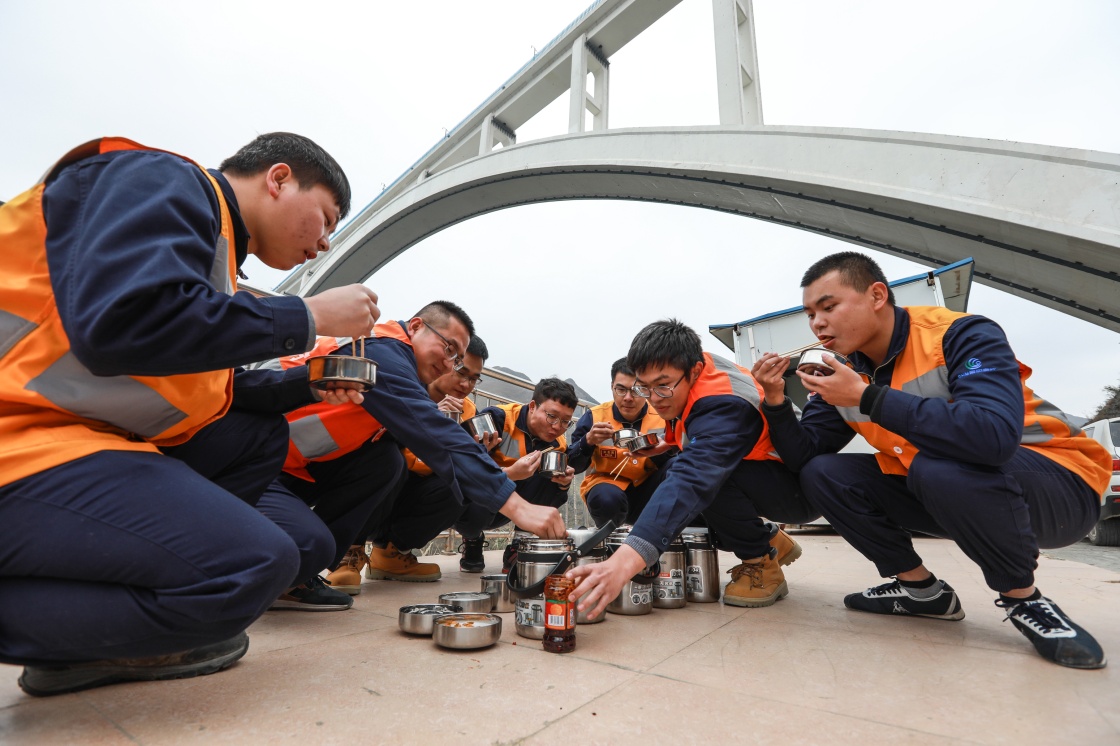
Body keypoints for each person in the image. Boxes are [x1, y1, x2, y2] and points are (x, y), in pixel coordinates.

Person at [0, 133, 381, 696]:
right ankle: (105, 620)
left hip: (73, 434)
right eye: (325, 219)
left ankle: (89, 634)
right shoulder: (163, 180)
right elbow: (123, 323)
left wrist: (311, 377)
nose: (324, 243)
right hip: (23, 439)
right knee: (256, 564)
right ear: (277, 179)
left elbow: (221, 396)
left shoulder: (212, 257)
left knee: (255, 436)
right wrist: (304, 316)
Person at [752, 251, 1110, 670]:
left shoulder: (961, 334)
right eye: (810, 314)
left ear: (877, 295)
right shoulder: (842, 373)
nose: (817, 323)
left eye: (829, 307)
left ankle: (1024, 601)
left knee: (938, 463)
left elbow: (992, 439)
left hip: (1058, 485)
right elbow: (805, 457)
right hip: (950, 488)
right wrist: (776, 401)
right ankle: (922, 592)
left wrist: (867, 397)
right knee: (824, 473)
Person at [277, 305, 567, 591]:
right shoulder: (381, 354)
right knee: (303, 549)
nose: (449, 365)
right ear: (415, 327)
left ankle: (351, 558)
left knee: (386, 461)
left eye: (457, 359)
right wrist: (517, 505)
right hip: (265, 467)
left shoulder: (411, 373)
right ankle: (314, 557)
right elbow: (436, 436)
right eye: (448, 349)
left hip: (304, 466)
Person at [567, 321, 819, 616]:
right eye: (644, 387)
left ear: (695, 371)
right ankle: (769, 539)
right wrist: (666, 444)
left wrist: (627, 559)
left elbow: (693, 475)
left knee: (707, 478)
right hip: (770, 475)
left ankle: (761, 564)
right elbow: (694, 426)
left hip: (798, 487)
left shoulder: (723, 404)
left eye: (663, 386)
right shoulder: (694, 368)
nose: (653, 399)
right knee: (694, 468)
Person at [329, 334, 491, 587]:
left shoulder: (467, 410)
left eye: (473, 378)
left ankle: (392, 553)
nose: (465, 384)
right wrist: (426, 418)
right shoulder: (404, 388)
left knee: (461, 481)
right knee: (388, 459)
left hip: (411, 497)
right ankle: (350, 551)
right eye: (461, 372)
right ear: (447, 362)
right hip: (377, 490)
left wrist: (477, 451)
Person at [457, 378, 579, 573]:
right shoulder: (497, 418)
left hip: (517, 506)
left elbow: (553, 497)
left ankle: (519, 545)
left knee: (551, 473)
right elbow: (461, 465)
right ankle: (473, 539)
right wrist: (511, 474)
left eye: (566, 421)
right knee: (473, 521)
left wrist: (563, 485)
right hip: (477, 505)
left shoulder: (557, 445)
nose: (557, 426)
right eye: (552, 416)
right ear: (532, 406)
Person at [566, 357, 674, 528]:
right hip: (607, 489)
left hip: (650, 491)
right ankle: (613, 546)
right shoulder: (593, 417)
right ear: (612, 387)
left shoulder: (663, 416)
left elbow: (677, 457)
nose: (628, 398)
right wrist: (588, 441)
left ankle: (664, 538)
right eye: (621, 389)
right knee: (606, 498)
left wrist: (655, 451)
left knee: (681, 465)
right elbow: (572, 464)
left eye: (636, 390)